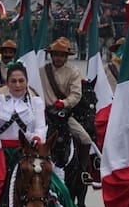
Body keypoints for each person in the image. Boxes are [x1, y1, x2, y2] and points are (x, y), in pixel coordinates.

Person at [0, 62, 86, 207]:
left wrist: (38, 137)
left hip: (28, 154)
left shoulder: (35, 102)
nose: (17, 85)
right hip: (0, 155)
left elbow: (41, 126)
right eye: (13, 81)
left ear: (26, 82)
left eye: (21, 81)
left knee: (60, 190)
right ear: (7, 83)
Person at [39, 37, 92, 181]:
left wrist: (64, 103)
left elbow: (76, 94)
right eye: (55, 54)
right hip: (44, 114)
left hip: (62, 114)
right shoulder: (42, 71)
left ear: (66, 57)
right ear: (51, 55)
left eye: (61, 55)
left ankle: (82, 171)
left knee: (85, 138)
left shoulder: (73, 72)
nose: (58, 58)